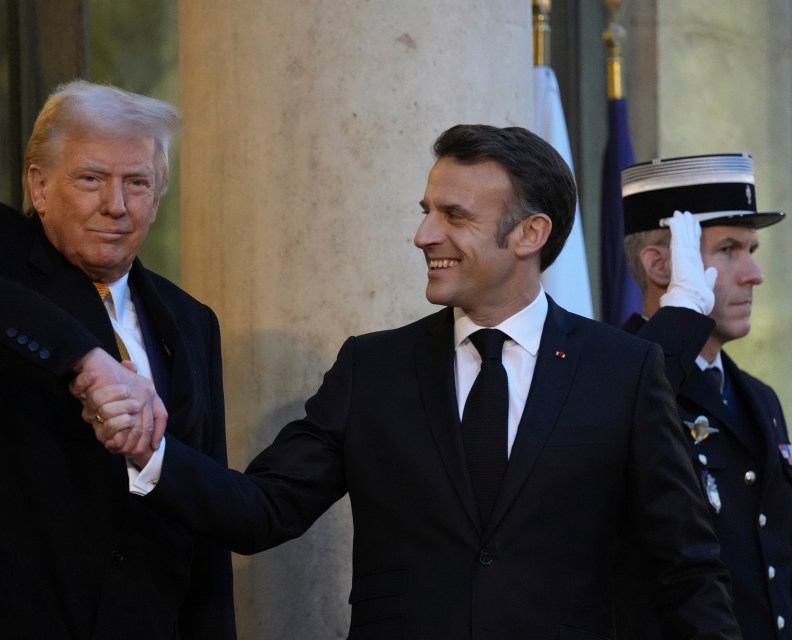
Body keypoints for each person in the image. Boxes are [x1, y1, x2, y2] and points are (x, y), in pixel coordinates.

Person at [79, 124, 741, 638]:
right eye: (427, 211)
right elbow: (263, 509)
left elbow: (685, 566)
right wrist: (151, 453)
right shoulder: (373, 370)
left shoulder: (622, 370)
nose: (423, 234)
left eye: (454, 216)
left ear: (529, 233)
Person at [0, 81, 236, 639]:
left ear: (157, 198)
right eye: (91, 179)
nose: (117, 204)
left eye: (138, 183)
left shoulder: (191, 320)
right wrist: (86, 360)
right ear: (38, 185)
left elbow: (202, 514)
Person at [615, 153, 790, 639]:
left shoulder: (760, 399)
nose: (753, 273)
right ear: (660, 264)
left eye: (751, 249)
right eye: (729, 249)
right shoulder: (612, 382)